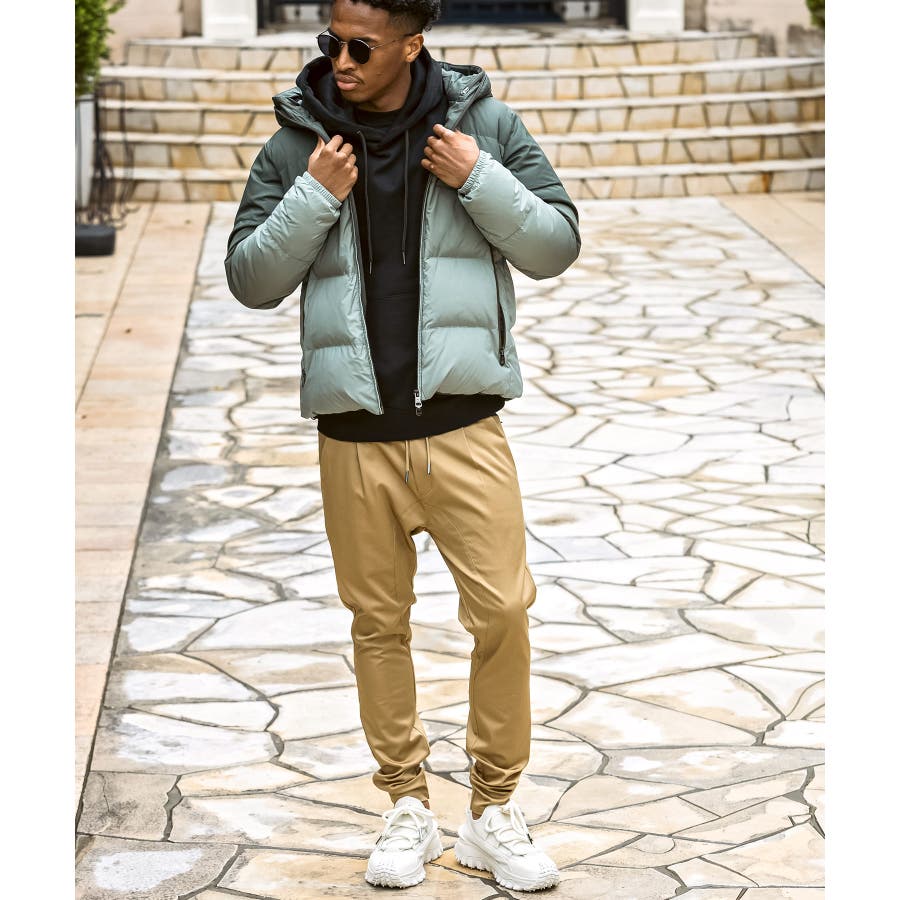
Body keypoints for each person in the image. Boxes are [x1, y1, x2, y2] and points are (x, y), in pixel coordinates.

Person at [225, 0, 581, 891]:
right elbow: (251, 279)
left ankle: (493, 813)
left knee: (503, 612)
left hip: (462, 426)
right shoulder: (297, 144)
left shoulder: (485, 126)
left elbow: (555, 246)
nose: (340, 62)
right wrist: (315, 194)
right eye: (331, 43)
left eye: (361, 47)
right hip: (355, 435)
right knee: (377, 625)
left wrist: (478, 176)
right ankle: (406, 807)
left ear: (412, 45)